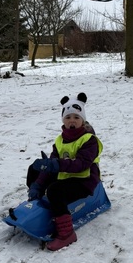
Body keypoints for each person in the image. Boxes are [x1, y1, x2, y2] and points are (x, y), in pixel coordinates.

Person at [27, 93, 103, 251]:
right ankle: (37, 204)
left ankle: (67, 234)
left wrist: (56, 164)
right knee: (34, 170)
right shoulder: (60, 140)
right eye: (68, 117)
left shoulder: (89, 140)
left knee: (55, 190)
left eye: (76, 117)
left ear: (82, 119)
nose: (72, 120)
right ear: (63, 120)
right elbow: (51, 165)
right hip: (66, 176)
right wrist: (38, 184)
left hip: (84, 180)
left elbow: (81, 164)